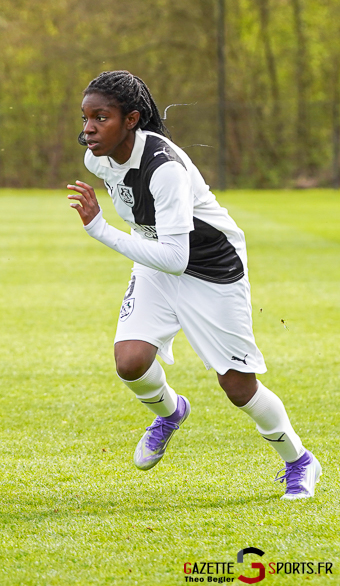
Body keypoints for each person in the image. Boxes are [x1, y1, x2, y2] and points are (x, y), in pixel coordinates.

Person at [66, 70, 320, 500]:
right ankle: (169, 412)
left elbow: (177, 257)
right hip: (156, 258)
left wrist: (99, 229)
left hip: (211, 268)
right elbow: (154, 241)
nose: (88, 128)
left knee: (237, 385)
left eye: (101, 118)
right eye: (86, 117)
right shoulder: (97, 159)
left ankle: (299, 461)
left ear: (131, 119)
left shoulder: (165, 168)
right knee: (129, 361)